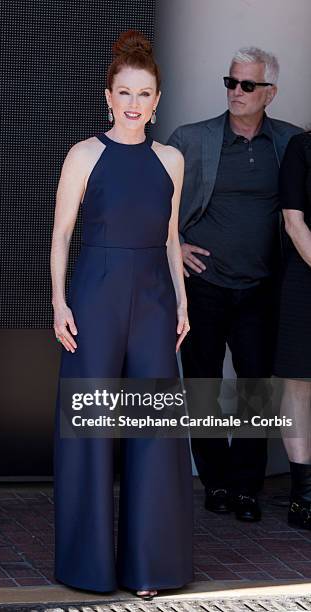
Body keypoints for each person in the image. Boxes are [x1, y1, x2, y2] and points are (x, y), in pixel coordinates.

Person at [50, 30, 193, 597]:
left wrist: (182, 300)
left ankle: (150, 569)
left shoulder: (172, 161)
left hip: (156, 300)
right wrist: (59, 302)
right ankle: (87, 569)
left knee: (153, 429)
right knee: (88, 430)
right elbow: (61, 234)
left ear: (158, 100)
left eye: (146, 94)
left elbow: (170, 237)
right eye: (125, 93)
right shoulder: (84, 154)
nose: (135, 104)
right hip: (95, 296)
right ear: (108, 96)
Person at [167, 47, 302, 522]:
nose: (236, 93)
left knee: (256, 390)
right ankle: (216, 481)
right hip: (203, 286)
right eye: (231, 82)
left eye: (247, 85)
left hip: (262, 288)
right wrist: (176, 245)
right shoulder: (192, 139)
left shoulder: (291, 143)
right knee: (202, 385)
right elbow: (156, 200)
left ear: (270, 93)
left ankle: (246, 486)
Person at [274, 132, 311, 530]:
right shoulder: (303, 148)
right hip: (306, 276)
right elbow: (293, 220)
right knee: (299, 383)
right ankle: (303, 496)